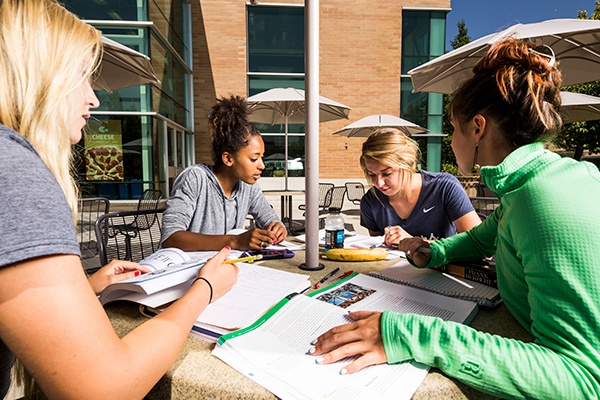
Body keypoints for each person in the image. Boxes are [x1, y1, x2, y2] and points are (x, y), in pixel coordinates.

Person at [309, 38, 600, 399]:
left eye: (453, 128)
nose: (450, 141)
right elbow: (481, 239)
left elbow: (584, 378)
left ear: (477, 128)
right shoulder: (527, 187)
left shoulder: (541, 201)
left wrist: (412, 334)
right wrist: (435, 252)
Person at [0, 1, 238, 398]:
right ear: (39, 77)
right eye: (81, 76)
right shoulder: (14, 172)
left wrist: (87, 287)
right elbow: (104, 388)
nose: (93, 100)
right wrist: (205, 289)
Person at [160, 95, 287, 251]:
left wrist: (277, 227)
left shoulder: (248, 185)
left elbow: (269, 218)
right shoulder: (195, 178)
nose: (262, 165)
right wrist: (234, 241)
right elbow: (170, 238)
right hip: (188, 269)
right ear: (228, 158)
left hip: (224, 267)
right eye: (254, 159)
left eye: (262, 157)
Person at [359, 128, 480, 247]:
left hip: (443, 266)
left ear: (407, 164)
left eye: (387, 173)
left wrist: (417, 244)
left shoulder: (444, 187)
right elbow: (379, 252)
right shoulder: (371, 201)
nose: (379, 183)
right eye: (372, 174)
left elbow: (480, 246)